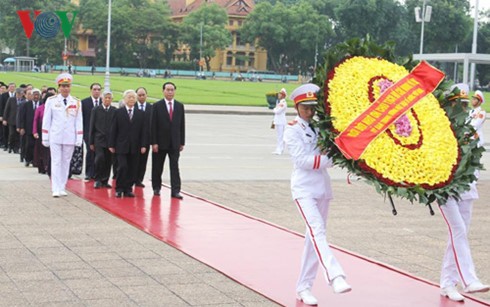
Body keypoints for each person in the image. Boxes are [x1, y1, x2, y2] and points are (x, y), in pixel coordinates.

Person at [284, 83, 351, 306]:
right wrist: (328, 159)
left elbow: (326, 150)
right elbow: (301, 161)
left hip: (322, 187)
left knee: (312, 239)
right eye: (306, 108)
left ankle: (304, 287)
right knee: (317, 231)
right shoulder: (292, 128)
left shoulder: (320, 127)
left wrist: (327, 155)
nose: (310, 112)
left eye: (313, 108)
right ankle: (335, 275)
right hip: (303, 189)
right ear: (297, 107)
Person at [439, 84, 489, 302]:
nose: (463, 107)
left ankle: (448, 283)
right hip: (446, 189)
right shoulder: (442, 126)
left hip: (468, 187)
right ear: (451, 104)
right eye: (459, 103)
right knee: (458, 230)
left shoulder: (472, 125)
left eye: (465, 103)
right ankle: (470, 279)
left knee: (458, 236)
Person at [42, 73, 83, 197]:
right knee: (56, 161)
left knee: (66, 162)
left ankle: (62, 186)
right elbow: (47, 119)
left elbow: (79, 121)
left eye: (67, 86)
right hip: (55, 135)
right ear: (59, 87)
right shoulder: (52, 101)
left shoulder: (76, 102)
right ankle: (55, 188)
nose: (65, 88)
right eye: (63, 86)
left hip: (70, 137)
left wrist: (79, 137)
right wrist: (45, 136)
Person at [109, 89, 148, 198]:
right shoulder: (118, 112)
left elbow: (144, 131)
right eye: (129, 97)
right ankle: (119, 188)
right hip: (121, 145)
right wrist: (111, 144)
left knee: (132, 168)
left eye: (133, 97)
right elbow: (113, 129)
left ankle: (128, 189)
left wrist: (144, 145)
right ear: (124, 99)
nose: (131, 99)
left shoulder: (141, 114)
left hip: (135, 146)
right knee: (122, 166)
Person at [151, 81, 185, 199]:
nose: (170, 92)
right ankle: (156, 188)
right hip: (160, 143)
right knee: (157, 166)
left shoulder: (179, 106)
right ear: (163, 91)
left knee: (174, 167)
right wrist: (154, 142)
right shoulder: (156, 106)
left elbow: (182, 125)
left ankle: (175, 190)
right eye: (168, 90)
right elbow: (153, 126)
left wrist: (182, 142)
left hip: (174, 143)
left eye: (172, 90)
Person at [89, 90, 116, 189]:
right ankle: (97, 179)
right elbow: (92, 126)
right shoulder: (96, 110)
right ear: (102, 99)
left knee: (108, 160)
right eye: (106, 98)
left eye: (109, 98)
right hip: (98, 139)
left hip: (110, 140)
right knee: (99, 158)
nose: (107, 100)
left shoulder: (114, 110)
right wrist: (91, 141)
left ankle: (105, 180)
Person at [81, 83, 102, 180]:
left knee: (99, 153)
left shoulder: (103, 102)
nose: (96, 91)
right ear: (91, 90)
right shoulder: (84, 102)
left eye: (98, 89)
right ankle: (89, 172)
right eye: (94, 89)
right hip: (88, 132)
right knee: (90, 151)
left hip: (100, 134)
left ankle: (98, 173)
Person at [134, 87, 152, 187]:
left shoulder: (151, 108)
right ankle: (132, 177)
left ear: (146, 95)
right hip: (134, 139)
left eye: (143, 95)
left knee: (143, 160)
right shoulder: (133, 106)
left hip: (146, 139)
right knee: (134, 160)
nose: (141, 97)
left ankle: (139, 179)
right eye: (139, 95)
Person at [18, 88, 41, 167]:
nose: (36, 96)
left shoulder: (42, 104)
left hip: (39, 129)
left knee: (37, 145)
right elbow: (22, 117)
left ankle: (36, 160)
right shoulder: (26, 105)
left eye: (37, 95)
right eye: (34, 95)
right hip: (28, 128)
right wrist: (22, 127)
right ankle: (28, 159)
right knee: (29, 144)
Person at [33, 93, 53, 175]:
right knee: (41, 151)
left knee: (49, 151)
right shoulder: (40, 108)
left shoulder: (55, 108)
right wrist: (34, 132)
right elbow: (35, 120)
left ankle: (48, 167)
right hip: (41, 133)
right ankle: (41, 167)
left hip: (52, 132)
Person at [3, 87, 25, 154]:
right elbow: (6, 109)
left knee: (18, 135)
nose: (19, 95)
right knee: (12, 134)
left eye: (20, 94)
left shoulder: (24, 100)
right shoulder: (11, 99)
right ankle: (10, 146)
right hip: (11, 120)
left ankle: (16, 148)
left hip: (20, 121)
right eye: (18, 94)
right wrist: (5, 119)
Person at [272, 88, 287, 155]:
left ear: (283, 95)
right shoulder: (279, 102)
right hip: (278, 121)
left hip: (281, 121)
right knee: (278, 136)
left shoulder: (283, 103)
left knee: (281, 136)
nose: (278, 95)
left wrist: (275, 109)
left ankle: (280, 149)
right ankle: (278, 149)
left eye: (280, 94)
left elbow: (277, 111)